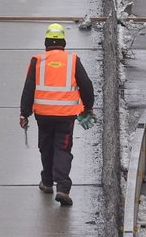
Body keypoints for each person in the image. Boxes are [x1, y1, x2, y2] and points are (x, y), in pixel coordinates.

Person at [19, 23, 95, 208]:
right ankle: (62, 188)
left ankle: (46, 182)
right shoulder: (72, 60)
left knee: (45, 146)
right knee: (62, 149)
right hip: (65, 115)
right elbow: (86, 85)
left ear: (46, 43)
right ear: (64, 43)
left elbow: (29, 88)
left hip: (43, 115)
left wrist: (24, 113)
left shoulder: (37, 60)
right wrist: (88, 108)